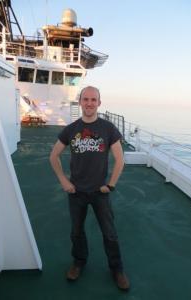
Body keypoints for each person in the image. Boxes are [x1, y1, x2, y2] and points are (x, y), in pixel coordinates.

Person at [50, 86, 130, 291]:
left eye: (93, 100)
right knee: (76, 232)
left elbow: (120, 159)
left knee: (109, 233)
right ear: (80, 102)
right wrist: (64, 181)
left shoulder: (108, 129)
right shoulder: (71, 129)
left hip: (99, 193)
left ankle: (117, 269)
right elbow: (53, 156)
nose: (89, 103)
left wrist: (110, 184)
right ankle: (78, 263)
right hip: (76, 192)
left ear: (99, 103)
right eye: (85, 99)